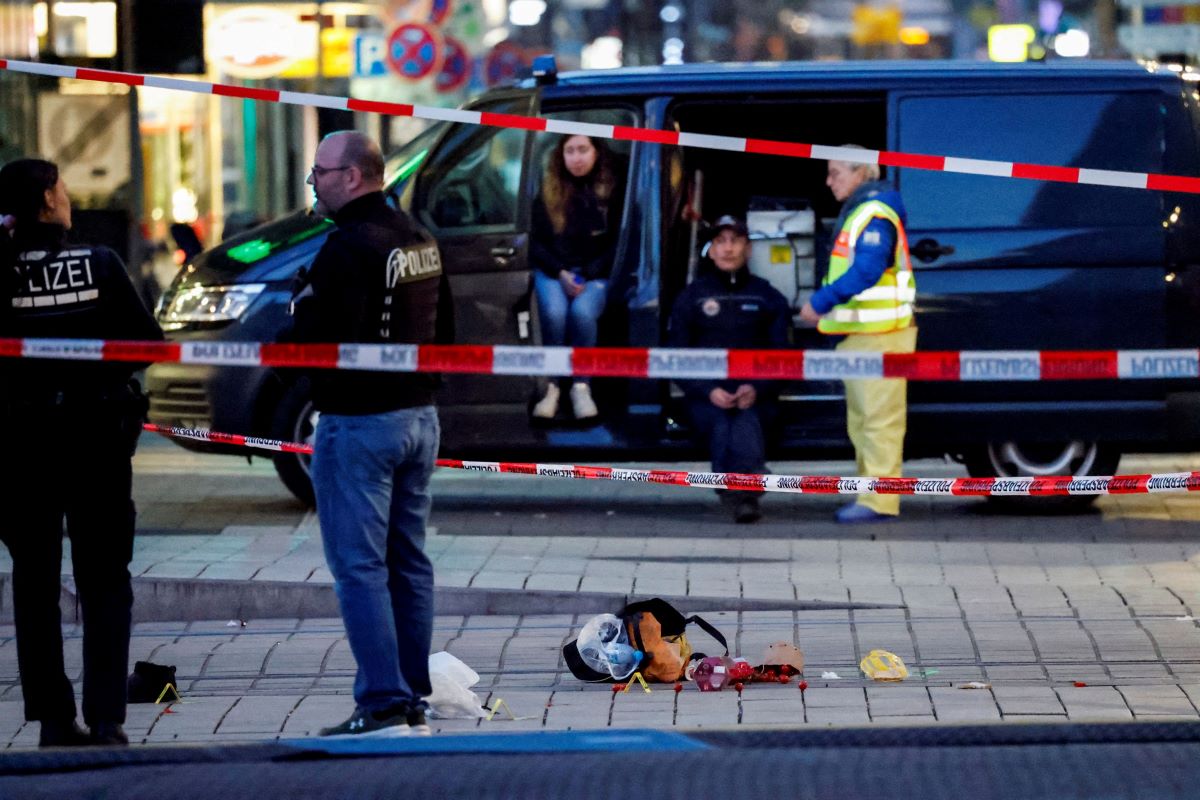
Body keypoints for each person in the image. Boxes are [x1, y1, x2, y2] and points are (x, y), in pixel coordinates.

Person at [286, 131, 450, 738]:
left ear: (352, 176)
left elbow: (323, 342)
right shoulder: (419, 238)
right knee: (408, 560)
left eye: (320, 172)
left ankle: (383, 703)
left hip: (359, 422)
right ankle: (412, 699)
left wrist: (293, 319)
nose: (314, 182)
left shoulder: (347, 248)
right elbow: (445, 330)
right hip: (418, 416)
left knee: (359, 566)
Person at [0, 158, 163, 747]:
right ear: (48, 200)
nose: (69, 197)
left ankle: (51, 719)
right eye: (63, 187)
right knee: (104, 580)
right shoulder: (98, 264)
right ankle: (106, 718)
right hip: (96, 440)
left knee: (34, 583)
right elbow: (148, 345)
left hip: (19, 449)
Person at [800, 148, 918, 524]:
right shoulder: (864, 210)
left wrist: (821, 301)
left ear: (861, 173)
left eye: (835, 173)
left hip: (881, 335)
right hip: (865, 335)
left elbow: (867, 270)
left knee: (879, 421)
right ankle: (870, 494)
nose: (828, 181)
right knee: (864, 421)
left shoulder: (874, 213)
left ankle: (880, 502)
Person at [668, 215, 790, 523]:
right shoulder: (691, 297)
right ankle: (746, 491)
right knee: (724, 418)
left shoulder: (766, 296)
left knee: (744, 417)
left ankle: (739, 490)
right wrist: (709, 391)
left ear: (748, 249)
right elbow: (675, 358)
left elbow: (783, 357)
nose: (728, 249)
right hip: (705, 398)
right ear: (711, 250)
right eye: (720, 241)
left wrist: (756, 389)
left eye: (735, 241)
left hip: (757, 396)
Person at [529, 134, 625, 421]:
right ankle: (552, 387)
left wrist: (589, 273)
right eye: (569, 151)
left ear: (597, 152)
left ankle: (581, 386)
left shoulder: (613, 191)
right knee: (555, 313)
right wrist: (560, 273)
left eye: (583, 149)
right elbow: (534, 242)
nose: (576, 158)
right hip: (554, 271)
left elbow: (620, 242)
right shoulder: (548, 190)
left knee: (582, 314)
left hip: (596, 272)